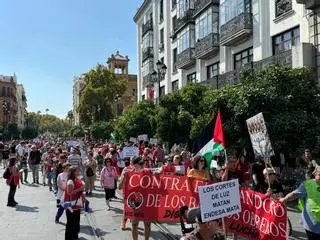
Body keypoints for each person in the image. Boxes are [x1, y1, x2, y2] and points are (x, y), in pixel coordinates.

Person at [280, 166, 320, 239]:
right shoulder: (308, 184)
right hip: (312, 226)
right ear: (315, 173)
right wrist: (284, 199)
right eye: (318, 173)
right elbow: (295, 194)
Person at [118, 157, 151, 240]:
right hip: (134, 203)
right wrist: (124, 177)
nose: (142, 165)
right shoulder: (127, 173)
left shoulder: (148, 172)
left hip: (146, 202)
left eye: (142, 164)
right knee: (134, 224)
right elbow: (119, 187)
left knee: (147, 224)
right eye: (140, 164)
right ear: (134, 165)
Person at [64, 166, 84, 240]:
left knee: (76, 222)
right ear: (73, 172)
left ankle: (74, 236)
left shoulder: (76, 179)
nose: (79, 172)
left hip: (76, 204)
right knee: (70, 223)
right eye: (77, 171)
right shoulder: (70, 181)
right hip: (71, 205)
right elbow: (69, 193)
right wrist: (80, 189)